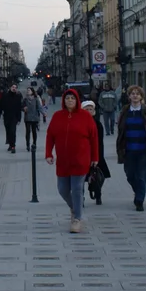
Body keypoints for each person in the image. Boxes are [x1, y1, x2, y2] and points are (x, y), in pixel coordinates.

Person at [46, 89, 98, 234]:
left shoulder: (85, 117)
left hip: (81, 159)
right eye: (67, 98)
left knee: (76, 189)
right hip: (63, 160)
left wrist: (95, 158)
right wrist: (48, 153)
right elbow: (50, 135)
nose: (70, 101)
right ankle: (75, 207)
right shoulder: (57, 116)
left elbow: (94, 138)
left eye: (72, 98)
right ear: (63, 100)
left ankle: (77, 219)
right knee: (62, 189)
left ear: (77, 101)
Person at [115, 85, 146, 212]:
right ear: (129, 96)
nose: (135, 96)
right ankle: (138, 191)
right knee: (130, 175)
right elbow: (121, 130)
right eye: (132, 93)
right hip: (128, 150)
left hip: (143, 150)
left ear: (141, 97)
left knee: (141, 176)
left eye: (137, 94)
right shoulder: (125, 111)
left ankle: (139, 200)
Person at [80, 100, 111, 204]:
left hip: (95, 154)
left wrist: (97, 157)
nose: (89, 111)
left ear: (94, 111)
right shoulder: (79, 123)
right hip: (82, 155)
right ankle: (80, 197)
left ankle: (98, 195)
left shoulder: (98, 124)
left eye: (91, 109)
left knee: (98, 176)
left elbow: (100, 142)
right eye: (86, 109)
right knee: (80, 178)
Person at [1, 84, 24, 152]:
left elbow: (19, 108)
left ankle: (13, 146)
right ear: (10, 88)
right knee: (8, 131)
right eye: (13, 87)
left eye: (15, 87)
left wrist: (19, 118)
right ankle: (10, 145)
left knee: (13, 131)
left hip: (14, 117)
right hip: (6, 116)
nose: (14, 88)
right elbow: (1, 105)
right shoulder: (5, 96)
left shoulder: (18, 96)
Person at [22, 86, 44, 153]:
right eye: (27, 90)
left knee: (34, 131)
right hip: (27, 117)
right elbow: (21, 106)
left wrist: (43, 113)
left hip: (34, 117)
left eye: (29, 90)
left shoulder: (36, 99)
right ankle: (27, 145)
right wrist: (23, 108)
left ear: (32, 91)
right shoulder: (25, 99)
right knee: (28, 131)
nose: (28, 91)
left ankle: (34, 143)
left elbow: (39, 107)